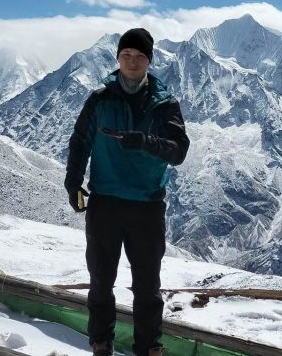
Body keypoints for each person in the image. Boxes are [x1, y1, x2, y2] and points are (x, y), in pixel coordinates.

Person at [65, 27, 190, 356]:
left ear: (149, 61)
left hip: (147, 207)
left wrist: (147, 142)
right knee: (101, 281)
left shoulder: (165, 104)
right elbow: (80, 142)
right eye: (126, 55)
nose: (132, 61)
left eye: (139, 56)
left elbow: (179, 151)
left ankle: (148, 348)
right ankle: (101, 343)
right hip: (105, 202)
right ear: (118, 58)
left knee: (147, 287)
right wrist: (73, 181)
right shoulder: (100, 99)